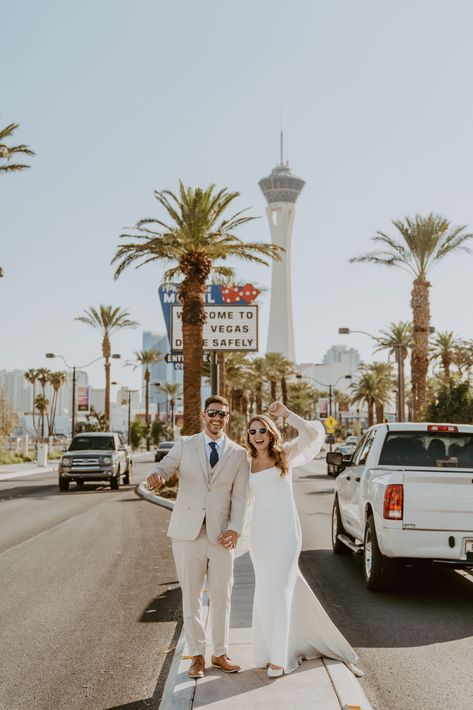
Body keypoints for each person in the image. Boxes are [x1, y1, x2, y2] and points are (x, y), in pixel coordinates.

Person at [247, 401, 362, 678]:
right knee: (264, 590)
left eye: (263, 429)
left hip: (286, 534)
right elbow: (237, 499)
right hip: (259, 536)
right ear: (247, 436)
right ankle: (267, 651)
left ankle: (281, 657)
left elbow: (314, 435)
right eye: (252, 431)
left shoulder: (285, 454)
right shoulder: (245, 462)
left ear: (272, 432)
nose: (258, 435)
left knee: (282, 590)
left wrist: (287, 414)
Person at [146, 395, 248, 680]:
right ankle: (198, 656)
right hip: (187, 533)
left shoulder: (239, 454)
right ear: (204, 415)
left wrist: (236, 528)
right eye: (212, 413)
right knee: (191, 597)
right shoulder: (185, 444)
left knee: (221, 596)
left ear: (228, 418)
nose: (217, 418)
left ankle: (220, 652)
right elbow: (164, 468)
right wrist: (156, 476)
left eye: (223, 414)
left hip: (222, 537)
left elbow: (240, 497)